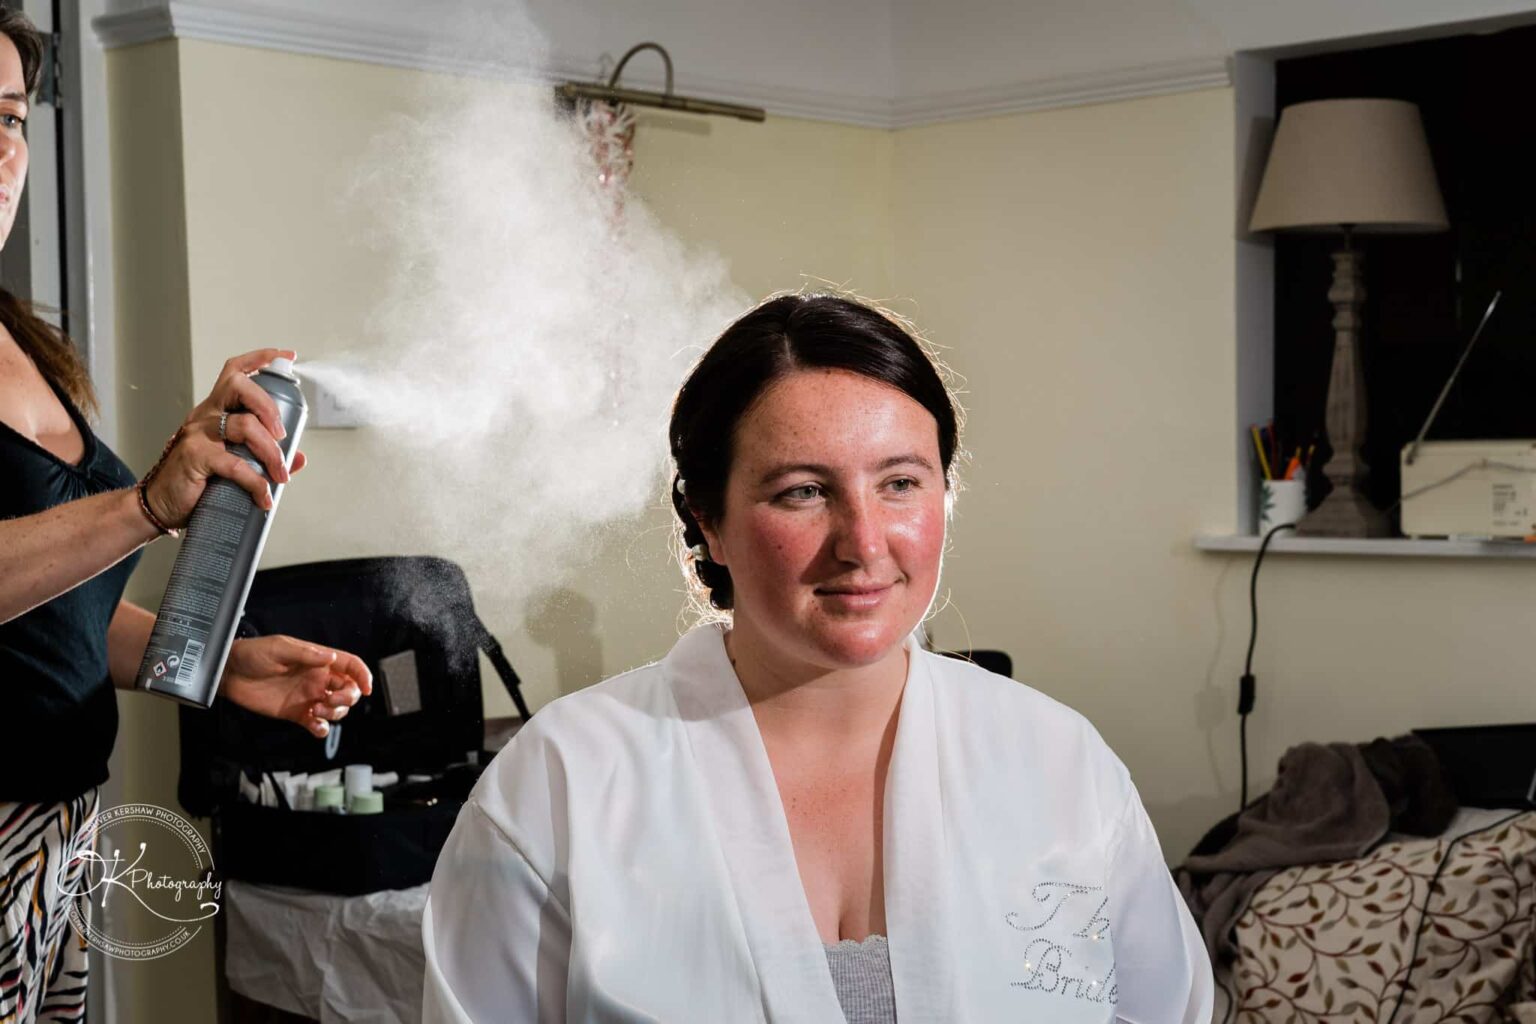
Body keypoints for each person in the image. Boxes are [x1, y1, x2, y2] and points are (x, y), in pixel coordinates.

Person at [421, 295, 1212, 1022]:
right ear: (710, 521)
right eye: (803, 492)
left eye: (900, 483)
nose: (863, 544)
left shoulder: (1061, 763)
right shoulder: (561, 784)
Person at [0, 11, 371, 1022]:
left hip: (59, 820)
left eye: (9, 116)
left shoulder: (23, 339)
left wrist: (216, 657)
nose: (1, 149)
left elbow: (41, 612)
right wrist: (144, 504)